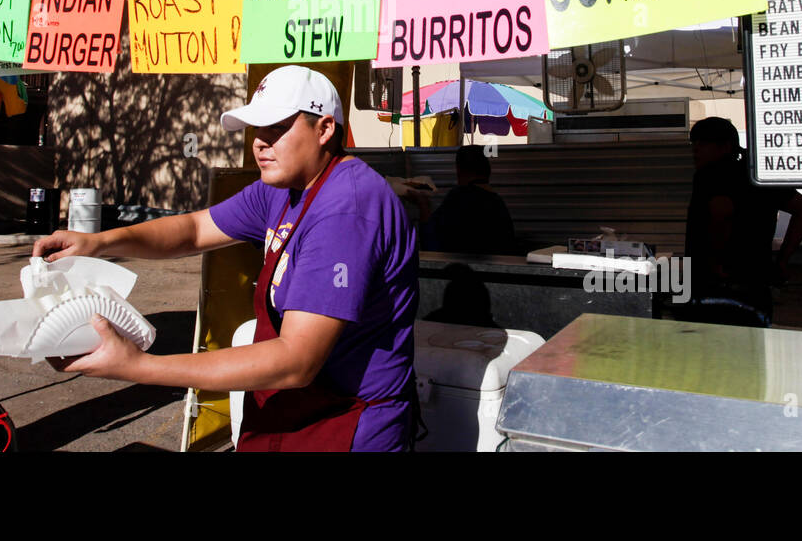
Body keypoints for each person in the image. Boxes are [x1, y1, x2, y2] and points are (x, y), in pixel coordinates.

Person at [34, 65, 418, 452]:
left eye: (277, 128)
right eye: (257, 129)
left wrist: (139, 366)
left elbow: (295, 359)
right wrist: (97, 243)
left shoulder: (344, 210)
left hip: (346, 425)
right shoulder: (283, 187)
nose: (260, 143)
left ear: (324, 129)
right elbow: (194, 230)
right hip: (290, 410)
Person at [683, 117, 802, 325]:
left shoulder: (711, 174)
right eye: (694, 143)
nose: (695, 150)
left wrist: (716, 262)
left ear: (725, 146)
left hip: (716, 291)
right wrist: (782, 260)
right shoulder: (758, 173)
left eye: (703, 143)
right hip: (756, 290)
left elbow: (722, 212)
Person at [420, 144, 516, 255]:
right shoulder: (497, 203)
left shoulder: (459, 198)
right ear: (487, 170)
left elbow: (432, 248)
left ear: (459, 170)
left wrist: (423, 205)